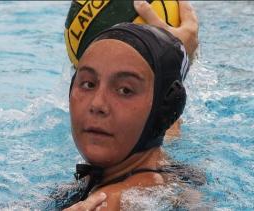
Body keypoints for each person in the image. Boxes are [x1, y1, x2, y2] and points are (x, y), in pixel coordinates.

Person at [58, 1, 200, 210]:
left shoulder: (112, 203)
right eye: (88, 84)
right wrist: (173, 55)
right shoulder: (161, 167)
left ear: (164, 108)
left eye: (125, 90)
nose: (97, 104)